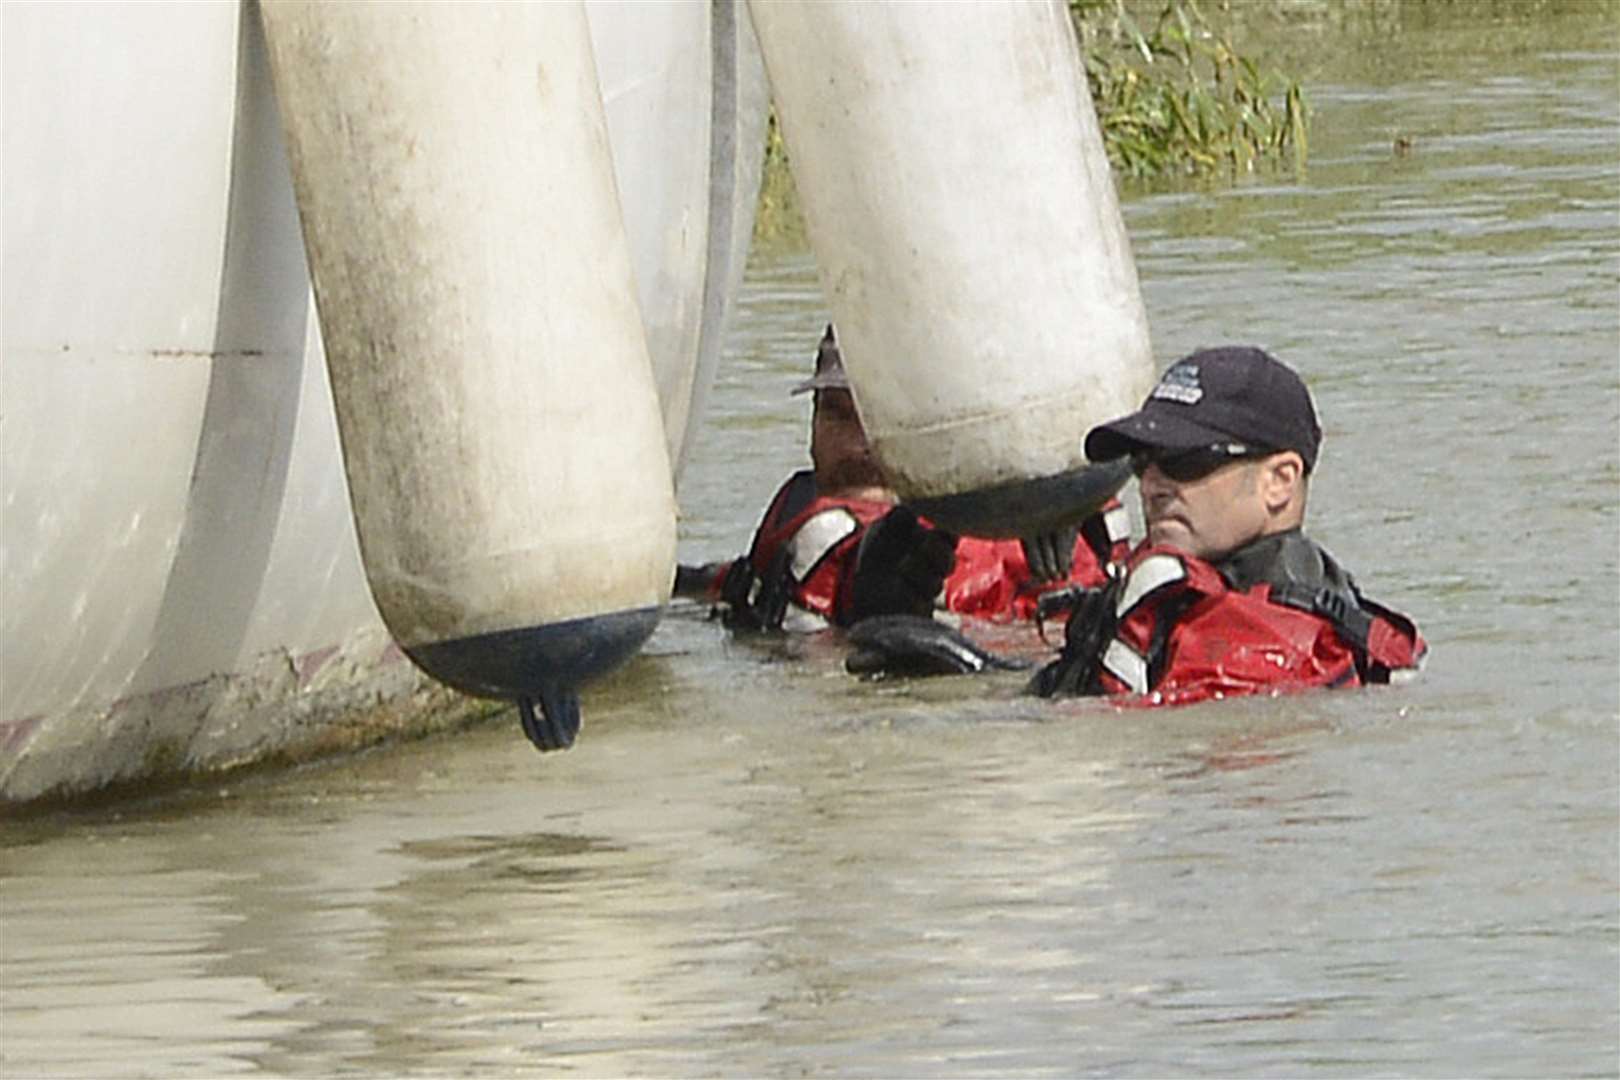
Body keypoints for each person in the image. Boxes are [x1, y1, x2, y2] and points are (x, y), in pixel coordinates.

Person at [1027, 345, 1426, 705]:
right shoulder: (1178, 598)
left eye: (1185, 461)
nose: (1151, 485)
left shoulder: (1257, 649)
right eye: (1142, 462)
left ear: (1279, 481)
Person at [676, 325, 1130, 632]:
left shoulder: (1071, 533)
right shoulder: (808, 525)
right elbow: (724, 582)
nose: (858, 447)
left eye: (881, 418)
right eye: (836, 415)